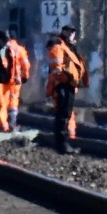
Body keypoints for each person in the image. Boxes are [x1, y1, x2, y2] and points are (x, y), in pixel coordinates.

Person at [45, 24, 87, 153]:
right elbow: (56, 65)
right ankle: (61, 145)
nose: (71, 34)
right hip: (61, 84)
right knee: (62, 115)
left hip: (69, 84)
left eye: (73, 32)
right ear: (63, 31)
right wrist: (63, 76)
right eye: (69, 31)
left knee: (66, 115)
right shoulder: (58, 44)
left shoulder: (70, 47)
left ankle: (63, 143)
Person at [5, 30, 32, 132]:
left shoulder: (3, 48)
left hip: (3, 79)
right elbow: (26, 64)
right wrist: (25, 76)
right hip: (16, 79)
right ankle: (12, 123)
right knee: (13, 100)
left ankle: (2, 122)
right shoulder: (20, 49)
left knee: (3, 100)